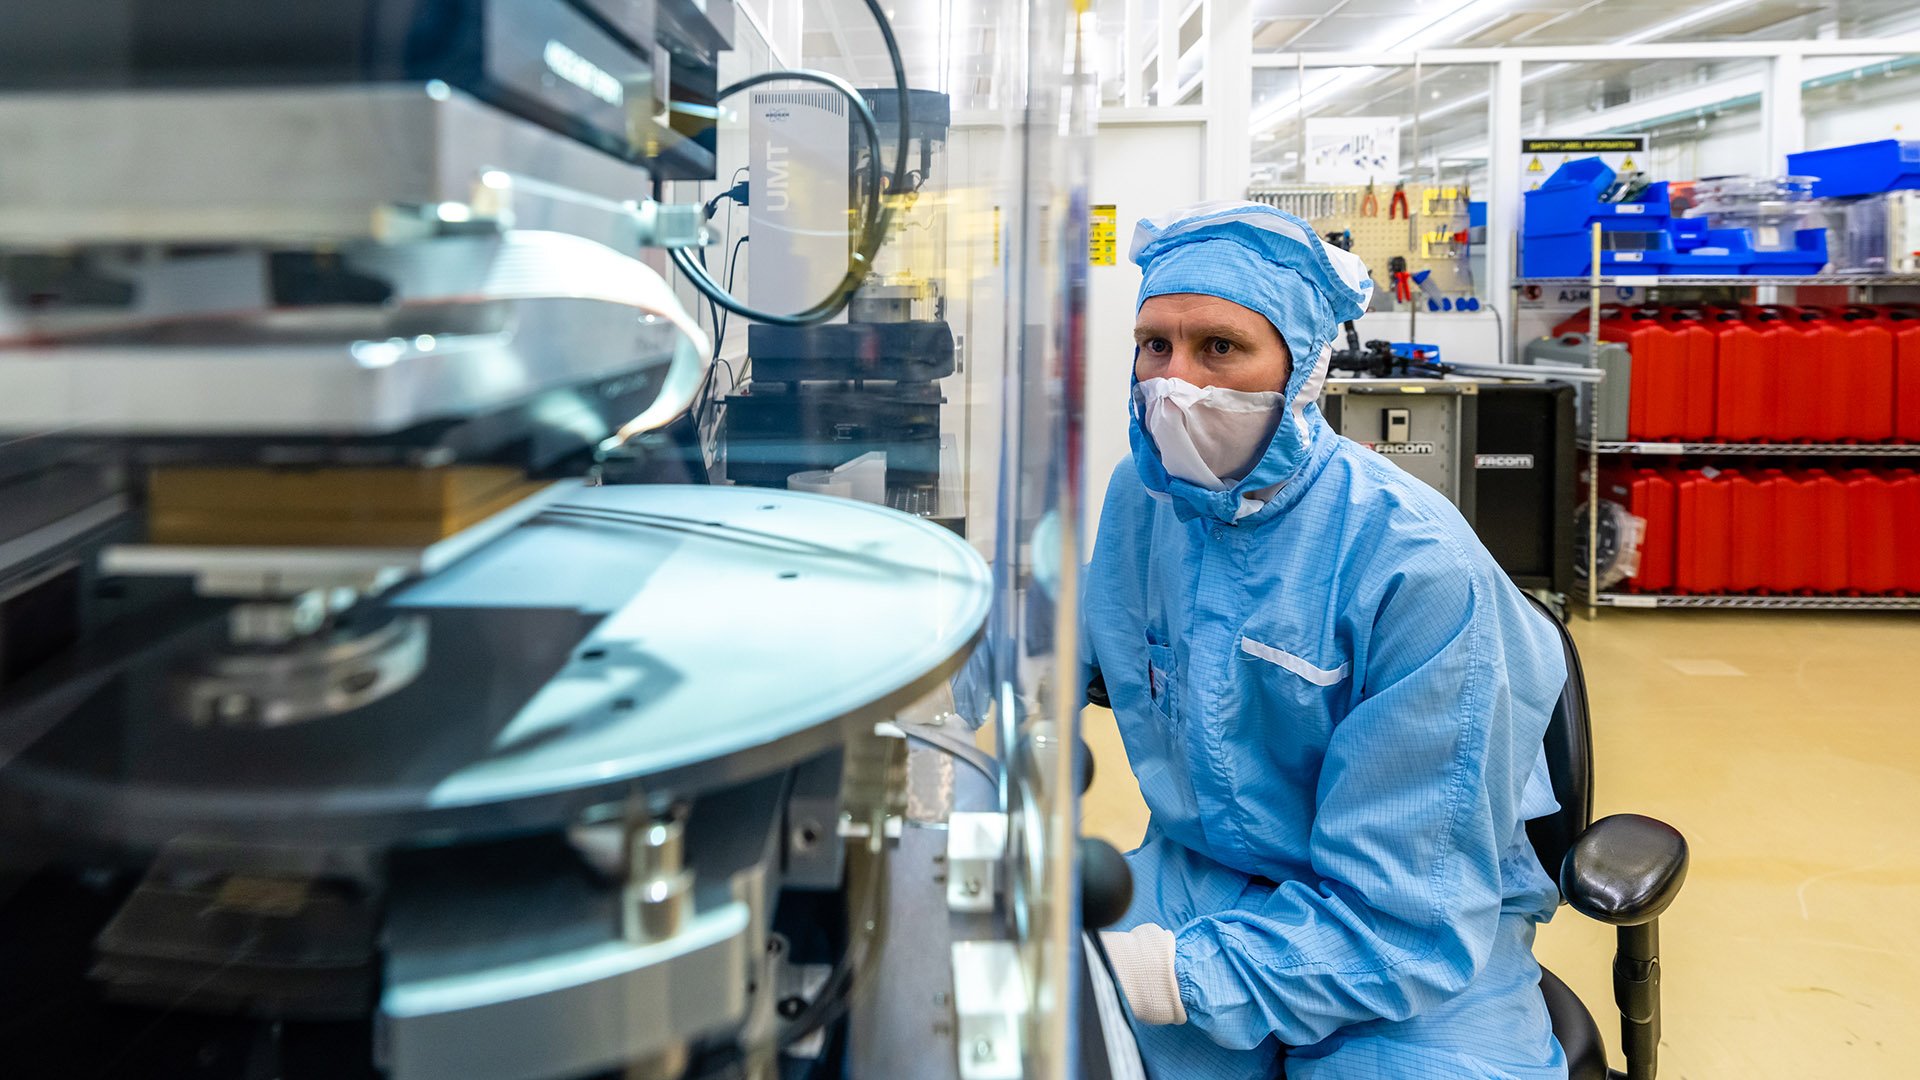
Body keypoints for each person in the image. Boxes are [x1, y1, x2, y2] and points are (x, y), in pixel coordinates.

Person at [1084, 201, 1570, 1080]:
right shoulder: (1143, 499)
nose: (1174, 380)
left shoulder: (1414, 567)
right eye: (1155, 345)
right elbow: (1073, 643)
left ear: (1304, 367)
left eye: (1220, 348)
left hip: (1405, 932)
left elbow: (1404, 918)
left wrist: (1170, 978)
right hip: (1202, 872)